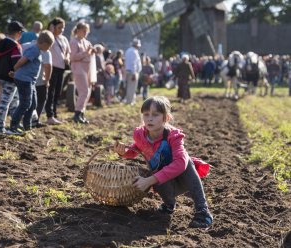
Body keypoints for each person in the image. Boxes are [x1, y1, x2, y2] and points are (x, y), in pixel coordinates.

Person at [113, 96, 213, 229]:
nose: (149, 118)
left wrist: (149, 180)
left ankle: (202, 210)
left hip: (183, 179)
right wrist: (123, 151)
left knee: (187, 161)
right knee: (158, 171)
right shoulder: (141, 135)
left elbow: (180, 163)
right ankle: (168, 204)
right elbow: (135, 150)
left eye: (155, 114)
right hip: (165, 183)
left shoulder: (173, 136)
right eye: (146, 114)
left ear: (166, 118)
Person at [7, 30, 55, 135]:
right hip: (24, 80)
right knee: (25, 103)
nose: (49, 48)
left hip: (30, 81)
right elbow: (22, 61)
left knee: (33, 104)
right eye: (49, 46)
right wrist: (13, 70)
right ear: (45, 43)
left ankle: (27, 127)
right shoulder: (34, 50)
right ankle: (13, 125)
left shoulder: (37, 50)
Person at [0, 21, 25, 134]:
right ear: (18, 33)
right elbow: (17, 63)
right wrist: (17, 74)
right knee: (5, 101)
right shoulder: (16, 46)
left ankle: (14, 124)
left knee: (14, 100)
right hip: (11, 77)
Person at [45, 17, 71, 125]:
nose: (61, 30)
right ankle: (49, 115)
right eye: (59, 27)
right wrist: (51, 31)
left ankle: (54, 114)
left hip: (61, 68)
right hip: (52, 67)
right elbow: (46, 46)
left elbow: (68, 51)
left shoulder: (64, 39)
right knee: (51, 92)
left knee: (57, 92)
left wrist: (67, 58)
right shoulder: (49, 36)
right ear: (53, 26)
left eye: (63, 28)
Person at [70, 22, 94, 123]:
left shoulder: (87, 42)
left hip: (87, 68)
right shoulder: (74, 42)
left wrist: (91, 52)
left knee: (88, 91)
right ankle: (77, 113)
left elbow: (88, 54)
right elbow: (72, 57)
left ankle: (82, 113)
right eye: (84, 30)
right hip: (78, 68)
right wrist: (86, 53)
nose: (85, 33)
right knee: (84, 91)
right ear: (78, 30)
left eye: (87, 31)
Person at [124, 38, 142, 105]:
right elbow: (133, 63)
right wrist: (134, 73)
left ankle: (131, 100)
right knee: (132, 87)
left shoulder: (129, 50)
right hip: (133, 72)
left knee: (130, 87)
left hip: (130, 71)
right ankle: (130, 101)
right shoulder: (134, 52)